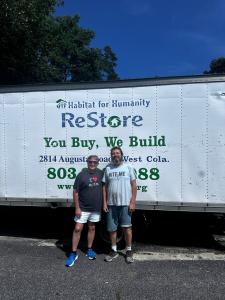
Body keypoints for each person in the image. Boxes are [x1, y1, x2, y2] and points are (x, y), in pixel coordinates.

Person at [66, 155, 103, 267]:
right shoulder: (81, 175)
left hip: (96, 207)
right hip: (82, 208)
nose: (92, 164)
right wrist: (77, 207)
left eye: (94, 162)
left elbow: (105, 188)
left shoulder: (101, 174)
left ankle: (89, 249)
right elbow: (75, 192)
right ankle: (73, 253)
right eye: (90, 162)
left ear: (98, 163)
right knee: (77, 229)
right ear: (87, 162)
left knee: (92, 227)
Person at [102, 147, 137, 263]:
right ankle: (113, 251)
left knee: (127, 228)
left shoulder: (129, 167)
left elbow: (134, 185)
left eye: (117, 153)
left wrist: (132, 202)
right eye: (113, 153)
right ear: (111, 156)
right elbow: (104, 187)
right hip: (111, 204)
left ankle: (129, 251)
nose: (115, 155)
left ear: (121, 154)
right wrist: (104, 203)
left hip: (125, 204)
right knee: (112, 229)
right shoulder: (108, 168)